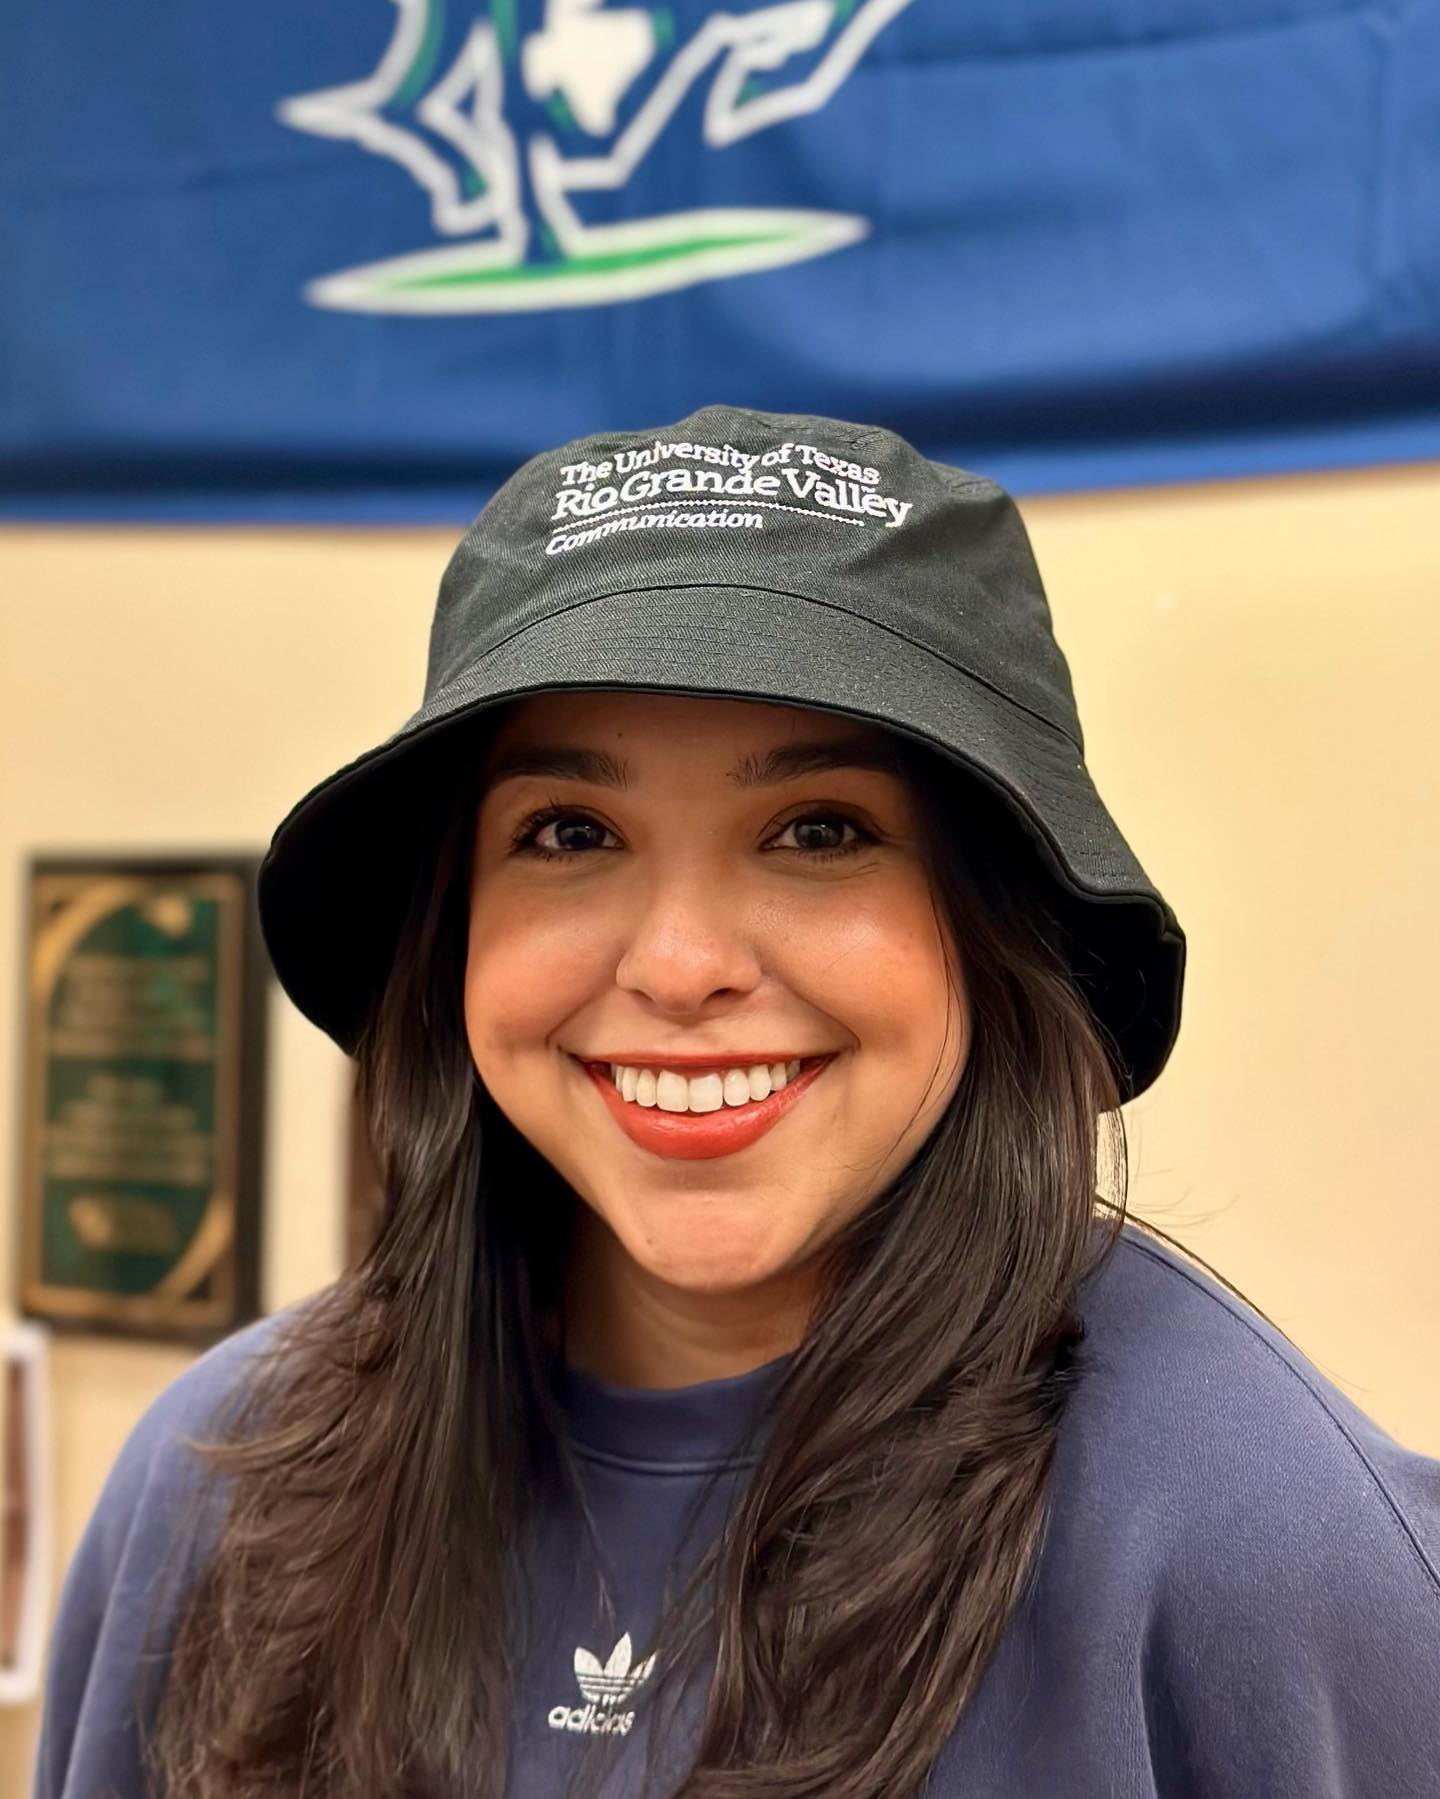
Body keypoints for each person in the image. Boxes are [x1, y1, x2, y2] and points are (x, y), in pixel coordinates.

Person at [32, 404, 1440, 1799]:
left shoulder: (1263, 1553)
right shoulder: (221, 1486)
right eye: (569, 832)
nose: (680, 964)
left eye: (818, 830)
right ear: (453, 925)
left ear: (993, 919)